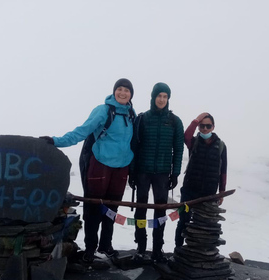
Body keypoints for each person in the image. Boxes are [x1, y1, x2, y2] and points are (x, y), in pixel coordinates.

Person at [40, 78, 136, 263]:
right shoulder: (103, 110)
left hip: (121, 167)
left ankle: (106, 245)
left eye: (127, 90)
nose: (123, 93)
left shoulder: (131, 114)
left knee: (112, 209)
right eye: (120, 89)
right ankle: (90, 248)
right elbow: (82, 131)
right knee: (94, 207)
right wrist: (56, 140)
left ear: (131, 94)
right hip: (100, 163)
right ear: (114, 91)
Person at [129, 82, 184, 262]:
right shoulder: (142, 119)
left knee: (160, 211)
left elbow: (178, 149)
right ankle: (141, 246)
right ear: (153, 97)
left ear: (168, 99)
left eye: (165, 96)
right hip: (142, 171)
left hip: (162, 173)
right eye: (159, 96)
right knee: (141, 210)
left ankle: (157, 249)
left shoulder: (175, 121)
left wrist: (175, 173)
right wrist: (132, 172)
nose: (161, 99)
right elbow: (134, 147)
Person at [174, 112, 227, 248]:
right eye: (201, 126)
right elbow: (185, 136)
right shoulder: (194, 142)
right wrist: (196, 120)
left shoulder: (221, 146)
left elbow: (223, 171)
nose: (204, 129)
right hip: (189, 190)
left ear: (213, 127)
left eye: (208, 126)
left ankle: (198, 253)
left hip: (209, 193)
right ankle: (178, 251)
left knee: (205, 224)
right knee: (183, 221)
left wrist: (221, 191)